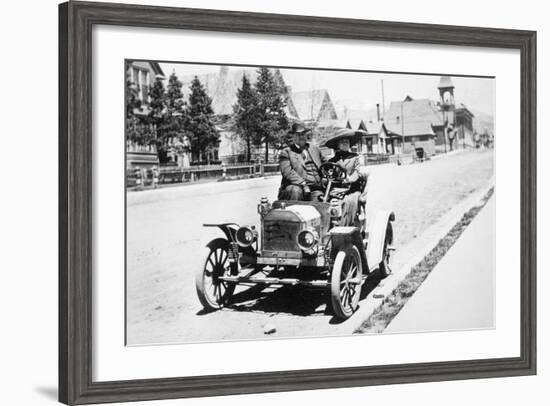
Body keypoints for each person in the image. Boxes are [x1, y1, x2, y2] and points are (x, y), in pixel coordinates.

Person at [325, 129, 368, 227]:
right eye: (342, 142)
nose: (345, 144)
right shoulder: (332, 160)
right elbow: (328, 174)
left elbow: (357, 172)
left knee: (349, 201)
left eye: (347, 142)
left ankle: (347, 225)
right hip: (336, 189)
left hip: (352, 189)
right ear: (338, 145)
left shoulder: (355, 157)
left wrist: (349, 179)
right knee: (324, 202)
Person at [278, 123, 327, 201]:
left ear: (306, 135)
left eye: (303, 134)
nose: (301, 137)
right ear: (293, 137)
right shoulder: (286, 152)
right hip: (298, 186)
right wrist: (303, 184)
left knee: (320, 202)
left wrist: (328, 172)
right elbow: (288, 173)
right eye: (298, 134)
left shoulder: (315, 149)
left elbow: (325, 164)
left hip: (316, 188)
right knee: (295, 191)